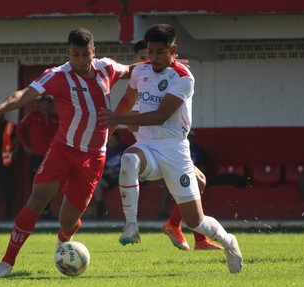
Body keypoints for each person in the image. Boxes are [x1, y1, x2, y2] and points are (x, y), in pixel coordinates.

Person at [0, 28, 131, 278]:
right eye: (75, 54)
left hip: (93, 157)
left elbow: (133, 70)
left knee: (68, 221)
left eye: (85, 54)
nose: (80, 60)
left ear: (94, 52)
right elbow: (23, 94)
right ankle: (7, 262)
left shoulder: (106, 68)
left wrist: (163, 64)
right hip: (63, 149)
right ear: (68, 52)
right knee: (38, 197)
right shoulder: (58, 76)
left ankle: (63, 244)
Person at [100, 24, 242, 273]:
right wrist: (108, 132)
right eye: (150, 52)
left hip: (174, 150)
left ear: (173, 50)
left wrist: (119, 120)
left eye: (159, 52)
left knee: (195, 222)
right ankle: (131, 226)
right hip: (146, 145)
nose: (153, 58)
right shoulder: (140, 71)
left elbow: (160, 116)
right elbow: (126, 100)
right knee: (129, 160)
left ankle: (230, 242)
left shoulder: (184, 78)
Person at [130, 39, 222, 251]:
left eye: (155, 54)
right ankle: (182, 230)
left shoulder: (170, 77)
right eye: (144, 57)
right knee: (196, 182)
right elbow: (132, 124)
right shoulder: (141, 86)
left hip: (168, 145)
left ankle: (186, 232)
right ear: (136, 61)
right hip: (152, 150)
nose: (150, 60)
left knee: (198, 180)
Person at [16, 95, 59, 219]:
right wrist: (25, 146)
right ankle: (34, 211)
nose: (45, 105)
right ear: (38, 104)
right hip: (36, 155)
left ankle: (47, 210)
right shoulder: (32, 116)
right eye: (43, 103)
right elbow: (19, 130)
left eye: (48, 103)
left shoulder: (55, 117)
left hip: (51, 156)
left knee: (51, 183)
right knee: (35, 183)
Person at [92, 130, 126, 219]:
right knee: (97, 182)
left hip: (123, 177)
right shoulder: (103, 152)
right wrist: (108, 172)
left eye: (115, 141)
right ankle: (100, 207)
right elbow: (96, 171)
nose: (113, 143)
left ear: (118, 141)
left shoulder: (124, 149)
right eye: (110, 141)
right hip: (110, 179)